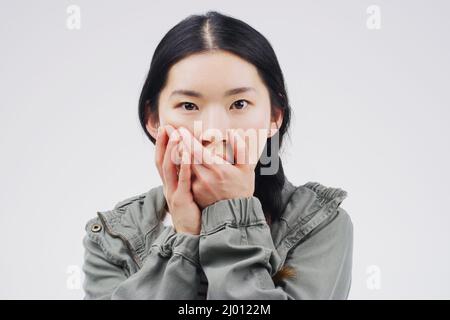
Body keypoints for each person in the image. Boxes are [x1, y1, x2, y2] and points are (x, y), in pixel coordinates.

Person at [82, 10, 353, 300]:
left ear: (275, 115)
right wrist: (184, 235)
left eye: (239, 103)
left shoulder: (320, 224)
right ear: (153, 119)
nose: (213, 131)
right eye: (188, 105)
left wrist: (232, 215)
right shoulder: (113, 237)